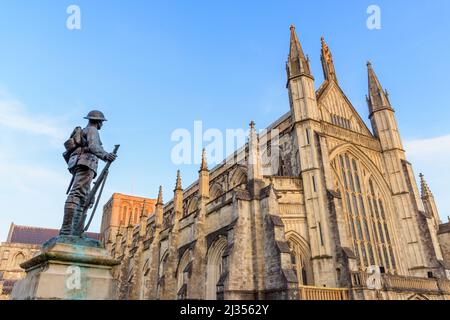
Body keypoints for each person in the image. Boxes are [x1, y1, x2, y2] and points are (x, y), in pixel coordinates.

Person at [60, 110, 117, 236]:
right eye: (102, 122)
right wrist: (106, 155)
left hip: (81, 163)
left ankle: (74, 231)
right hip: (86, 163)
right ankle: (67, 231)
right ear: (98, 122)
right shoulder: (92, 130)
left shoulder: (86, 130)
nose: (102, 124)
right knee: (77, 194)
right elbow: (93, 146)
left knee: (83, 198)